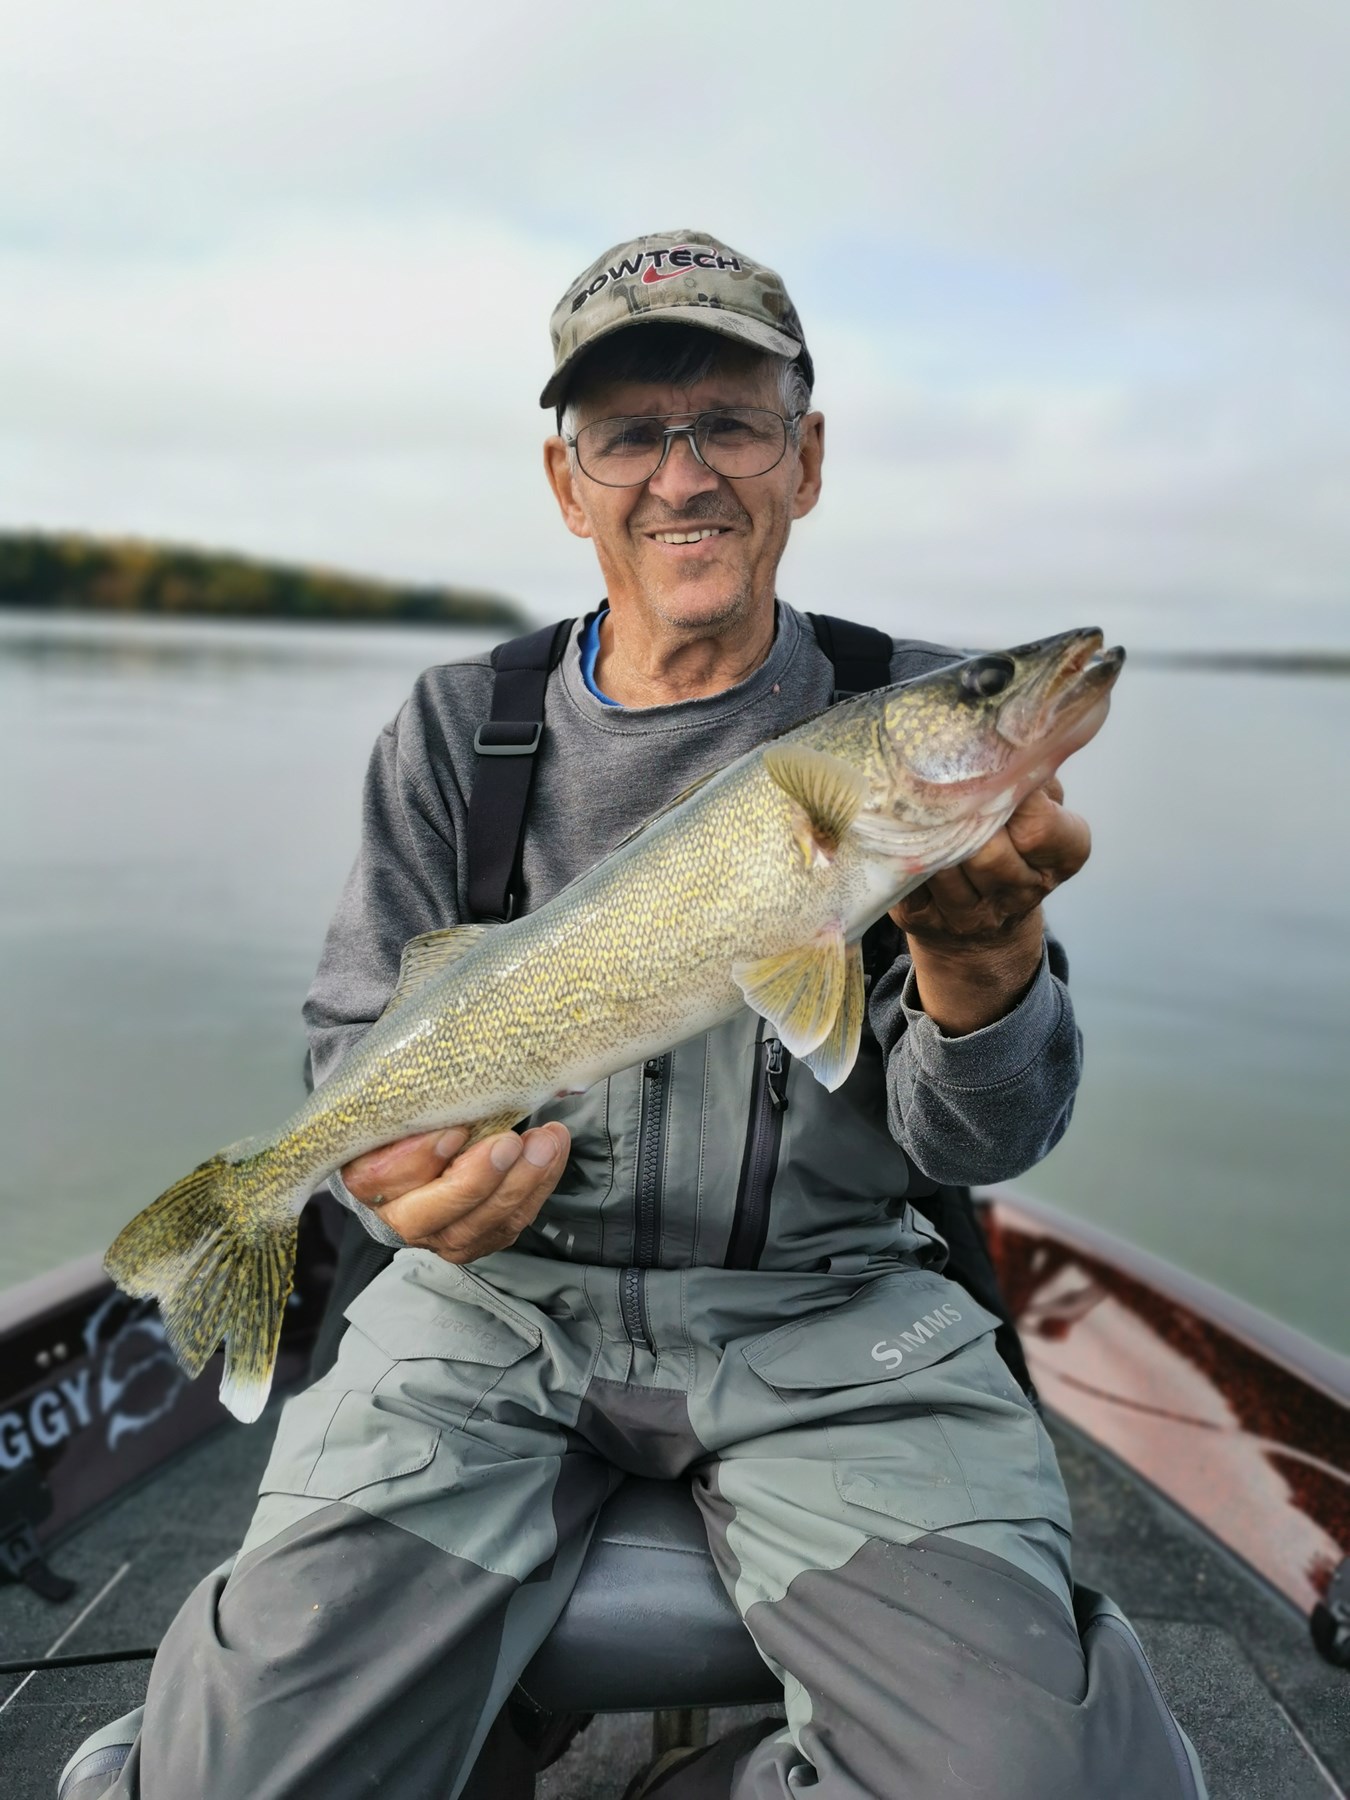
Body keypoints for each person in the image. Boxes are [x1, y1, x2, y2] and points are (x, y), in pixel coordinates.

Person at [61, 230, 1205, 1800]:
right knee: (236, 1773)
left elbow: (986, 1142)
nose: (684, 474)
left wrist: (985, 961)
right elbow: (356, 1042)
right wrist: (392, 1194)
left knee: (1028, 1778)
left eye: (730, 423)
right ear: (566, 481)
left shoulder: (900, 724)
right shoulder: (457, 727)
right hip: (489, 1315)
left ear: (806, 460)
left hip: (838, 1322)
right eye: (628, 434)